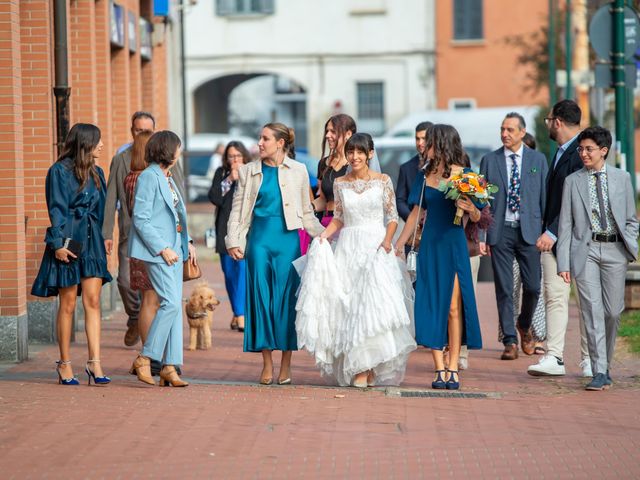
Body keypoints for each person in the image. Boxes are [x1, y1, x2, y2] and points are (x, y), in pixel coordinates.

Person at [296, 133, 416, 388]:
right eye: (351, 153)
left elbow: (392, 216)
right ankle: (358, 365)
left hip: (374, 244)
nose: (355, 157)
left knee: (372, 306)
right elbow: (338, 217)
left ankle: (367, 366)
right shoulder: (340, 183)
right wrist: (324, 236)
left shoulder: (383, 181)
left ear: (370, 154)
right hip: (348, 246)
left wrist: (387, 240)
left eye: (360, 152)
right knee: (348, 307)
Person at [226, 122, 324, 385]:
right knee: (262, 301)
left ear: (280, 143)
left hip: (288, 242)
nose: (259, 143)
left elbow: (306, 212)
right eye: (260, 138)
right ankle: (267, 363)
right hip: (258, 241)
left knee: (286, 302)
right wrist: (233, 240)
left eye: (265, 139)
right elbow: (237, 210)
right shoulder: (248, 171)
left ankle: (286, 364)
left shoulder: (299, 170)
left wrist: (323, 235)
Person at [395, 124, 483, 390]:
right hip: (430, 245)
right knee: (432, 304)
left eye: (429, 142)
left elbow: (479, 215)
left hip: (454, 243)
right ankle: (439, 368)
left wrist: (470, 208)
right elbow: (414, 213)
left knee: (454, 308)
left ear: (442, 143)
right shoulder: (424, 175)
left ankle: (453, 365)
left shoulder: (464, 175)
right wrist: (398, 243)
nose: (424, 146)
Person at [556, 126, 639, 390]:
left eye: (589, 149)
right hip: (586, 251)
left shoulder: (622, 178)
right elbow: (565, 226)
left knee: (613, 312)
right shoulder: (572, 181)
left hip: (615, 250)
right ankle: (599, 370)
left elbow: (630, 219)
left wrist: (631, 242)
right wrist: (564, 262)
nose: (583, 154)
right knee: (591, 311)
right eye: (580, 149)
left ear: (604, 151)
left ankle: (606, 364)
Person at [32, 123, 113, 386]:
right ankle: (64, 363)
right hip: (69, 241)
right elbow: (56, 208)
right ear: (86, 143)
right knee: (67, 303)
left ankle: (94, 362)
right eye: (98, 141)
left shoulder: (98, 172)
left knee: (93, 300)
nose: (102, 145)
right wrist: (57, 244)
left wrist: (103, 239)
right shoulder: (58, 171)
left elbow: (101, 213)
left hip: (92, 242)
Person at [103, 111, 185, 347]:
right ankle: (136, 320)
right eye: (140, 131)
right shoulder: (122, 159)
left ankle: (154, 353)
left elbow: (178, 197)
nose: (144, 135)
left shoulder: (167, 159)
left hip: (166, 238)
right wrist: (107, 232)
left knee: (157, 295)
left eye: (149, 131)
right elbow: (112, 198)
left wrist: (184, 236)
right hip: (131, 232)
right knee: (126, 282)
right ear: (132, 131)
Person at [128, 131, 196, 387]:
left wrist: (186, 243)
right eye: (178, 146)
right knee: (170, 304)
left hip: (176, 250)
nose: (180, 151)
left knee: (174, 304)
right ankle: (145, 358)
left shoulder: (167, 177)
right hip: (160, 253)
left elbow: (176, 215)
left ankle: (170, 366)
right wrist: (162, 249)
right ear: (169, 150)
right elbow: (141, 218)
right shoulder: (148, 177)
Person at [529, 99, 591, 377]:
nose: (548, 127)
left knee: (587, 300)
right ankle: (554, 355)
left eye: (549, 121)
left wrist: (552, 231)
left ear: (557, 122)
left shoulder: (581, 153)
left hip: (577, 239)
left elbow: (578, 199)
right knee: (555, 297)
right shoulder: (559, 152)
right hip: (555, 240)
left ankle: (591, 358)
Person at [479, 113, 548, 360]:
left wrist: (546, 232)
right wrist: (482, 234)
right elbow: (482, 201)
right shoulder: (490, 160)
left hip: (529, 232)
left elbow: (544, 200)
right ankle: (509, 341)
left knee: (533, 286)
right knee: (505, 289)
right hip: (500, 231)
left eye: (510, 130)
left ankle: (524, 324)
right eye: (502, 129)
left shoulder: (537, 160)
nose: (504, 134)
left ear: (522, 132)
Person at [208, 141, 251, 332]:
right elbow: (214, 198)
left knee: (241, 271)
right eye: (231, 156)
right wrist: (229, 180)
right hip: (224, 231)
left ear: (244, 157)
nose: (234, 160)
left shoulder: (252, 173)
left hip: (245, 231)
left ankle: (241, 315)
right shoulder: (221, 174)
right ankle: (237, 312)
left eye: (238, 156)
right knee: (229, 274)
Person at [123, 131, 158, 346]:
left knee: (148, 299)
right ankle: (148, 352)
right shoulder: (144, 178)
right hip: (149, 245)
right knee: (150, 300)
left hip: (139, 245)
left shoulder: (130, 177)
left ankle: (149, 350)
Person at [312, 114, 357, 227]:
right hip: (327, 221)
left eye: (333, 131)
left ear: (348, 134)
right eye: (327, 131)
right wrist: (306, 208)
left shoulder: (357, 163)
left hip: (350, 224)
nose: (327, 135)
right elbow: (323, 200)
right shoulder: (323, 163)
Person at [396, 121, 433, 222]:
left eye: (424, 138)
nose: (420, 143)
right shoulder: (406, 168)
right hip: (415, 229)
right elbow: (400, 201)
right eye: (417, 139)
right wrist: (413, 221)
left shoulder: (444, 165)